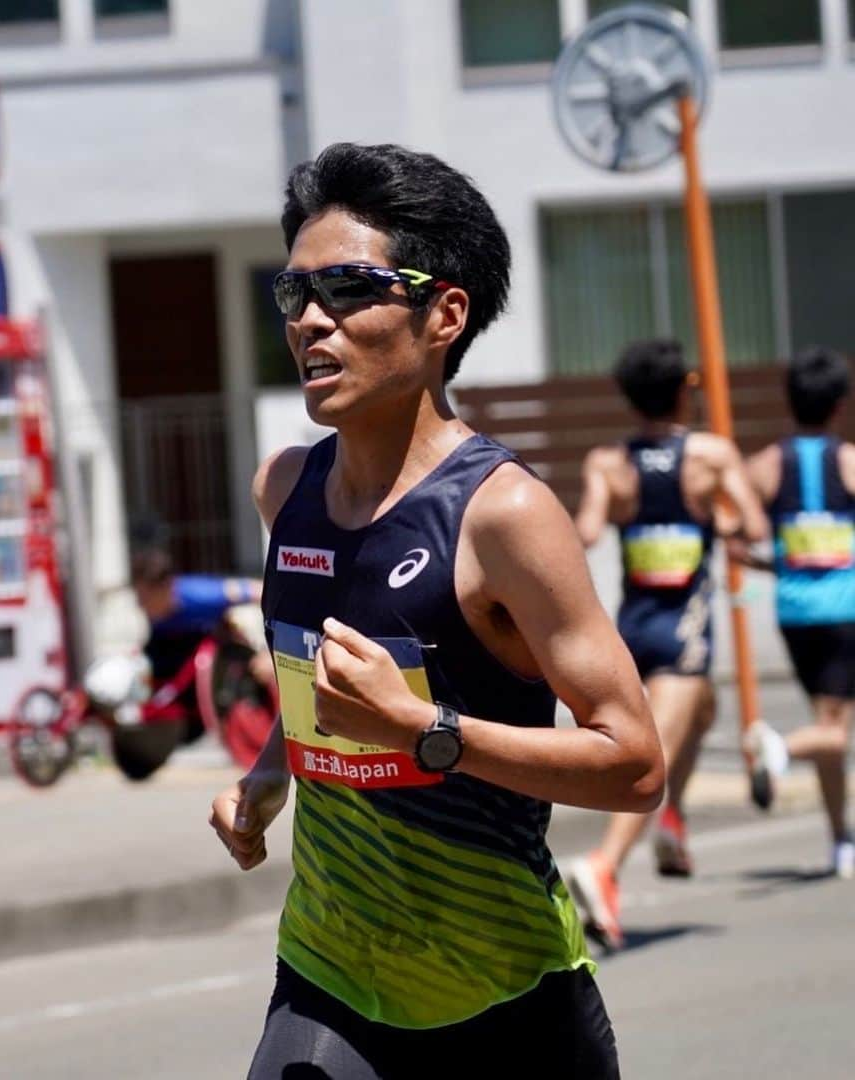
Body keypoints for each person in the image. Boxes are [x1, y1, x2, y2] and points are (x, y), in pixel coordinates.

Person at [208, 142, 664, 1079]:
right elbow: (317, 680)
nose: (312, 324)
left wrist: (427, 732)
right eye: (296, 295)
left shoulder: (503, 516)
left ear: (444, 313)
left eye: (348, 288)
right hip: (330, 973)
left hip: (503, 992)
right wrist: (269, 772)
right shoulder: (283, 489)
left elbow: (634, 763)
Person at [567, 338, 768, 951]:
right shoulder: (710, 454)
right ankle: (604, 865)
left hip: (633, 625)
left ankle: (671, 821)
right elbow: (754, 525)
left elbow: (589, 530)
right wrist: (724, 522)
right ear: (684, 388)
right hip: (684, 624)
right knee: (653, 752)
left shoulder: (607, 462)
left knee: (703, 710)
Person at [738, 346, 855, 879]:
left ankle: (840, 840)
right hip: (845, 610)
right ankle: (778, 749)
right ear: (839, 405)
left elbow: (735, 538)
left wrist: (777, 566)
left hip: (794, 614)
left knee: (829, 725)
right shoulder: (849, 461)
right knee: (835, 733)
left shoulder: (764, 466)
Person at [129, 548, 268, 730]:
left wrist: (268, 651)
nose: (140, 605)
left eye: (144, 598)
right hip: (170, 653)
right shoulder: (157, 617)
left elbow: (260, 592)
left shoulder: (199, 595)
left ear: (165, 588)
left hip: (210, 662)